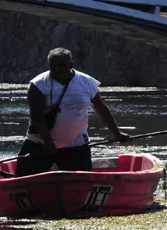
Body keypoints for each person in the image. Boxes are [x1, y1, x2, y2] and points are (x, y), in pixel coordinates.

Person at [15, 48, 130, 176]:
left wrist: (116, 133)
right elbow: (36, 116)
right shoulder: (38, 84)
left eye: (61, 65)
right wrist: (48, 142)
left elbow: (100, 107)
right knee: (21, 180)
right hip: (40, 145)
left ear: (71, 65)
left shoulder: (86, 82)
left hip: (76, 146)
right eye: (53, 65)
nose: (57, 69)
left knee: (83, 182)